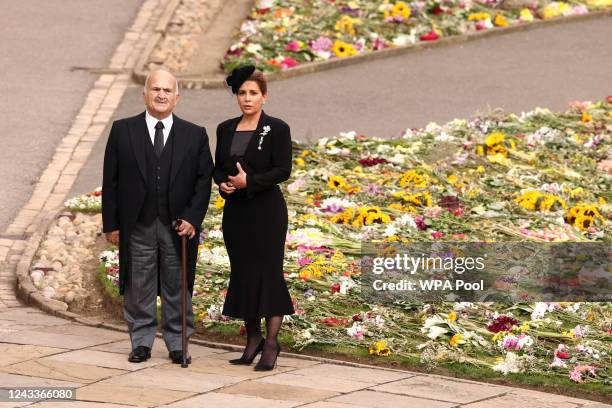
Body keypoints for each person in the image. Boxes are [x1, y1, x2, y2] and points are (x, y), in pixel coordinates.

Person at [102, 69, 214, 364]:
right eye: (156, 89)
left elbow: (204, 181)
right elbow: (110, 180)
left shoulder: (195, 135)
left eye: (167, 90)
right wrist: (111, 224)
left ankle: (178, 343)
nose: (161, 95)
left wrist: (192, 217)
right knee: (139, 285)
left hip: (178, 226)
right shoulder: (122, 130)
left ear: (177, 97)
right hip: (137, 224)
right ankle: (141, 342)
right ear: (145, 94)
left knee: (177, 285)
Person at [214, 65, 294, 371]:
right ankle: (253, 339)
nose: (247, 99)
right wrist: (222, 183)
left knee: (268, 273)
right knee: (244, 273)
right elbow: (218, 167)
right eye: (242, 93)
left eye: (253, 93)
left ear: (264, 96)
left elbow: (282, 169)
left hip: (267, 212)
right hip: (236, 213)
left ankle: (272, 343)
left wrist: (252, 182)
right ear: (237, 96)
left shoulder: (277, 128)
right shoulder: (224, 128)